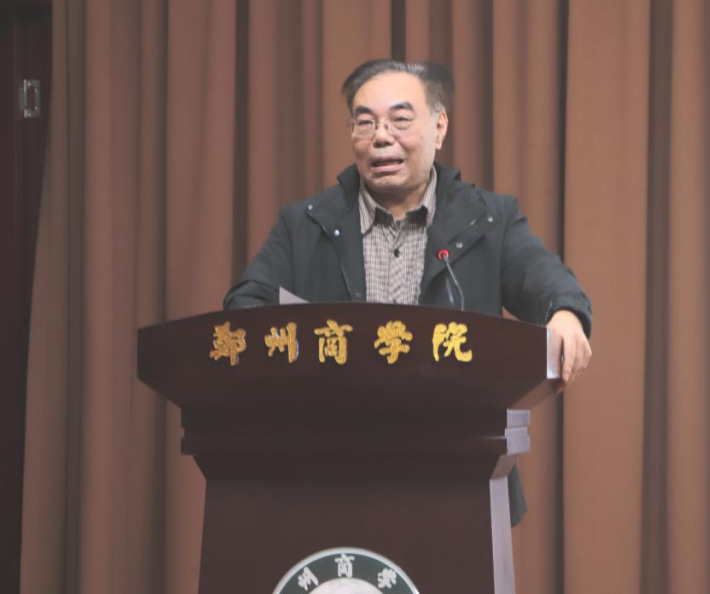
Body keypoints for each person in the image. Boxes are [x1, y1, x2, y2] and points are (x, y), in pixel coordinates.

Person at [224, 59, 593, 525]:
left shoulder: (488, 219)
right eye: (365, 123)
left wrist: (566, 314)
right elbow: (245, 308)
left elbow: (546, 280)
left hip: (460, 479)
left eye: (400, 120)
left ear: (439, 127)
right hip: (331, 478)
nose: (381, 137)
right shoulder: (305, 224)